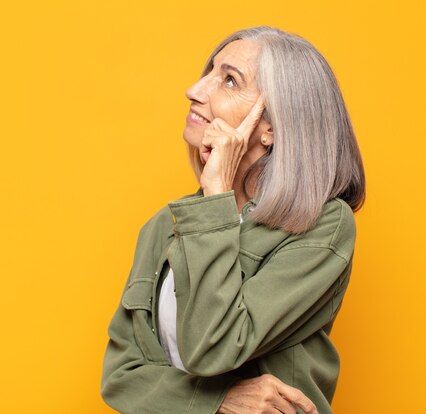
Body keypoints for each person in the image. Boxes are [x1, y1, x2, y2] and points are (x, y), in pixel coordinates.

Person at [101, 25, 365, 414]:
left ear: (273, 126)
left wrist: (216, 200)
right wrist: (221, 400)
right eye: (208, 72)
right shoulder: (165, 225)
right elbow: (120, 378)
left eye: (228, 80)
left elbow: (215, 346)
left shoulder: (323, 224)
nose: (195, 90)